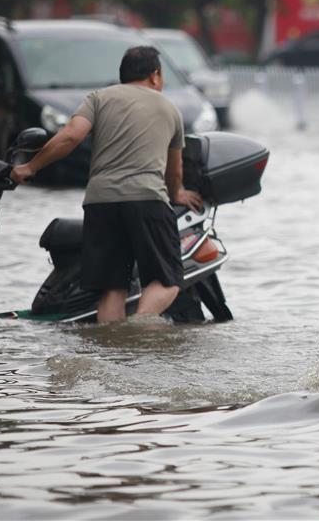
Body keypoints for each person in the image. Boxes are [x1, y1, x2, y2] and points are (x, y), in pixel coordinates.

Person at [10, 45, 202, 323]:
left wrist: (29, 167)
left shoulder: (98, 98)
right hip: (147, 199)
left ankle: (112, 350)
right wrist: (178, 194)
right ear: (155, 76)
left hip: (101, 203)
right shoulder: (170, 109)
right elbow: (175, 170)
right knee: (167, 279)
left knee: (113, 289)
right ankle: (141, 323)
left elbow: (69, 137)